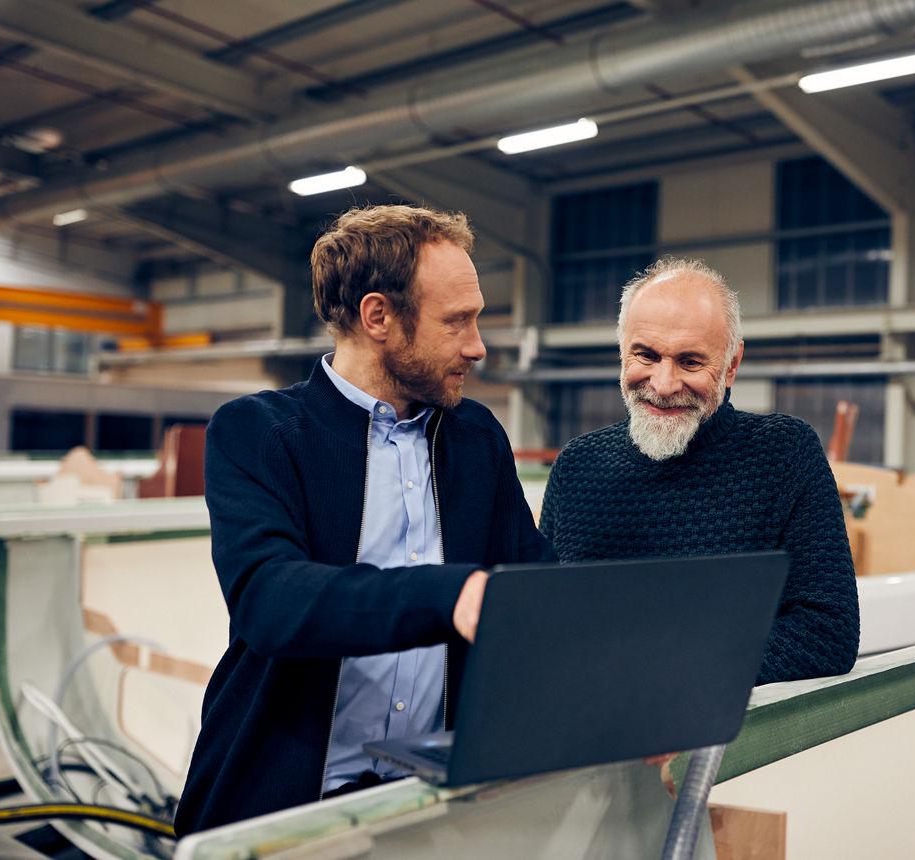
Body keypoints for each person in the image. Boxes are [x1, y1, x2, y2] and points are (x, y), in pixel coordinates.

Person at [175, 205, 553, 834]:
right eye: (456, 321)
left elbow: (535, 585)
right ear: (378, 316)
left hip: (431, 802)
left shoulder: (476, 438)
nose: (477, 346)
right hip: (289, 806)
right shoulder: (260, 432)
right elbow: (270, 600)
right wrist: (450, 593)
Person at [539, 258, 859, 683]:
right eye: (646, 355)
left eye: (690, 362)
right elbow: (542, 622)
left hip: (730, 741)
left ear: (731, 365)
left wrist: (666, 677)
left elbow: (825, 634)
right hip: (586, 735)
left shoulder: (784, 455)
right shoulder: (577, 467)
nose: (664, 383)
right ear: (622, 351)